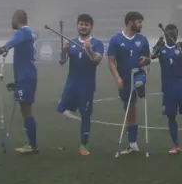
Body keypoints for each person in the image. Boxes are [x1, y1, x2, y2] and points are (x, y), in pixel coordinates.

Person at [0, 9, 39, 155]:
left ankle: (32, 145)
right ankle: (32, 144)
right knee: (25, 109)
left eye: (12, 18)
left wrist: (3, 48)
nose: (11, 21)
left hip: (26, 76)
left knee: (26, 109)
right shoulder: (29, 33)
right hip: (27, 75)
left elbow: (14, 41)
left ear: (17, 19)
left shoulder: (23, 31)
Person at [56, 13, 105, 156]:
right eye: (81, 24)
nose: (83, 27)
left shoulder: (97, 43)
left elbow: (97, 60)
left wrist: (89, 50)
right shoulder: (71, 42)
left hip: (87, 86)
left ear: (91, 27)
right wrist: (64, 50)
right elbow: (62, 61)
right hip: (71, 84)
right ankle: (69, 107)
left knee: (85, 115)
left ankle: (84, 144)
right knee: (60, 108)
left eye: (86, 25)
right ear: (77, 25)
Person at [106, 11, 151, 155]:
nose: (141, 25)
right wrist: (117, 78)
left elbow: (148, 59)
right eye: (139, 22)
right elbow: (111, 61)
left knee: (138, 82)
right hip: (124, 79)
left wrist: (146, 60)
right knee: (130, 110)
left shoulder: (143, 40)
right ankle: (133, 144)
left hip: (138, 73)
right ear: (130, 22)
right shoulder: (116, 39)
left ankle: (140, 84)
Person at [153, 23, 182, 154]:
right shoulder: (161, 47)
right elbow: (152, 56)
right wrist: (157, 46)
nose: (172, 36)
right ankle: (175, 145)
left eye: (174, 34)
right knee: (171, 116)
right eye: (170, 34)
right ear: (165, 35)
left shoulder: (181, 46)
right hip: (168, 87)